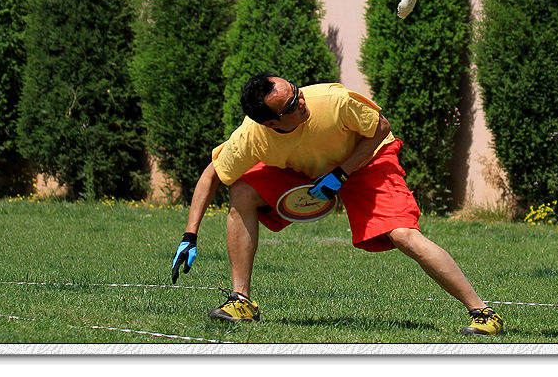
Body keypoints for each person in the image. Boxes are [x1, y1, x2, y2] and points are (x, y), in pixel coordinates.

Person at [170, 71, 504, 336]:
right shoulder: (252, 137)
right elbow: (213, 174)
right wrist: (190, 235)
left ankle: (484, 314)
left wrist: (342, 172)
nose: (301, 101)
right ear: (271, 123)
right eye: (290, 105)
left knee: (403, 235)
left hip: (367, 158)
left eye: (296, 91)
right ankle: (241, 302)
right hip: (308, 169)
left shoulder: (334, 101)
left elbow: (380, 127)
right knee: (242, 190)